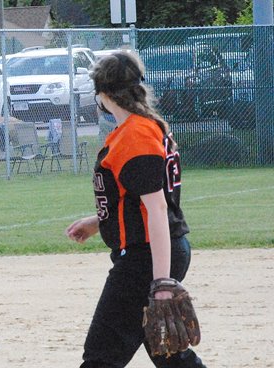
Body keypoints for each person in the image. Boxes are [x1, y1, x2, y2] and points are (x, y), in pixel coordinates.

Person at [65, 52, 206, 368]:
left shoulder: (135, 135)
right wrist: (98, 221)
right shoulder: (140, 128)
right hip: (153, 249)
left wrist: (161, 283)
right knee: (168, 352)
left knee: (102, 355)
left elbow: (156, 208)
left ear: (101, 93)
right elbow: (138, 202)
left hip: (146, 257)